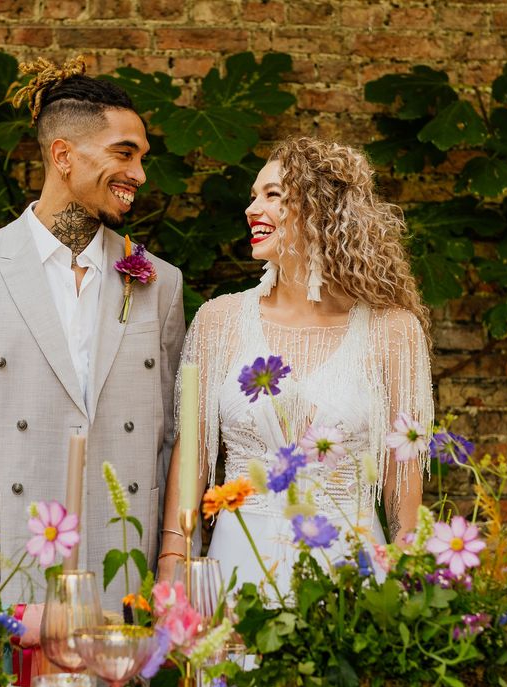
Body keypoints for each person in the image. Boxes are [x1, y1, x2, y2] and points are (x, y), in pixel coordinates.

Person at [0, 57, 185, 610]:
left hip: (124, 573)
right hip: (4, 568)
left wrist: (172, 578)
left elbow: (169, 445)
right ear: (63, 155)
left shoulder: (161, 282)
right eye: (124, 154)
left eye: (142, 158)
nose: (139, 174)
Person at [158, 137, 433, 594]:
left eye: (272, 195)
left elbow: (401, 481)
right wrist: (173, 561)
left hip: (353, 571)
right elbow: (192, 455)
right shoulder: (219, 321)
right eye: (252, 196)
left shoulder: (394, 331)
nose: (252, 209)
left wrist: (407, 581)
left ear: (320, 209)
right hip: (237, 565)